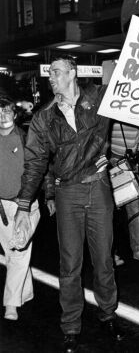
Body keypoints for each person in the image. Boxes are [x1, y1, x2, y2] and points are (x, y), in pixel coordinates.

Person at [13, 56, 124, 353]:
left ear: (72, 74)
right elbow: (34, 164)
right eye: (50, 73)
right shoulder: (43, 117)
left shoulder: (99, 98)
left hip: (98, 187)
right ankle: (71, 326)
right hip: (67, 193)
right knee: (70, 263)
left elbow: (131, 82)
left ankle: (107, 314)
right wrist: (24, 206)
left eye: (57, 72)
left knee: (103, 259)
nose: (51, 77)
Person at [0, 96, 40, 321]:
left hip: (24, 206)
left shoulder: (26, 139)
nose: (2, 116)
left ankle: (11, 304)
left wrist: (49, 196)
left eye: (6, 111)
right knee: (13, 253)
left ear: (15, 115)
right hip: (1, 209)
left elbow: (39, 170)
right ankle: (26, 293)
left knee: (17, 251)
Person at [110, 122, 139, 265]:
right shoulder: (113, 114)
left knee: (134, 213)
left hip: (131, 165)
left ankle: (138, 250)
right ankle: (110, 253)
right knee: (112, 214)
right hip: (114, 163)